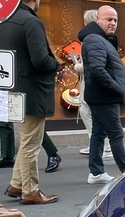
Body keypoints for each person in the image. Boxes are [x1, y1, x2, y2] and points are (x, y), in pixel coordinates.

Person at [0, 0, 60, 204]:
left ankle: (17, 184)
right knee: (31, 142)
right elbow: (41, 60)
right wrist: (56, 64)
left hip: (12, 86)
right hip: (32, 89)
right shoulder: (30, 21)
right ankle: (31, 190)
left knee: (27, 139)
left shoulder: (6, 20)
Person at [79, 5, 125, 184]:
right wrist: (117, 87)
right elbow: (97, 69)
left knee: (98, 133)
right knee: (116, 133)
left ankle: (96, 172)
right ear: (98, 20)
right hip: (104, 96)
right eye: (109, 19)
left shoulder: (98, 38)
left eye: (115, 20)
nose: (113, 23)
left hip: (101, 95)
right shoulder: (94, 39)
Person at [74, 9, 112, 160]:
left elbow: (94, 65)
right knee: (89, 112)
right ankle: (97, 144)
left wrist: (77, 65)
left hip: (92, 84)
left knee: (92, 113)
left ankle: (102, 146)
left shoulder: (90, 38)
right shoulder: (96, 37)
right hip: (91, 83)